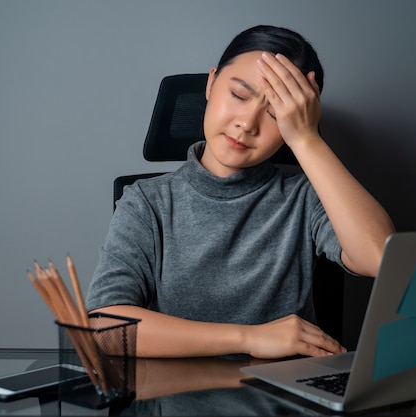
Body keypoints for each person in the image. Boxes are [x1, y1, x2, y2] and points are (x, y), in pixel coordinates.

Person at [85, 25, 395, 359]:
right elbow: (104, 328)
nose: (247, 123)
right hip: (174, 398)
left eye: (276, 114)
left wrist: (307, 139)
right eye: (239, 95)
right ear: (211, 82)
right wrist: (248, 338)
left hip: (283, 399)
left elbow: (381, 258)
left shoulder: (305, 197)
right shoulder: (146, 202)